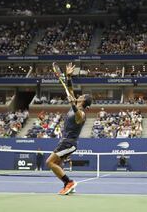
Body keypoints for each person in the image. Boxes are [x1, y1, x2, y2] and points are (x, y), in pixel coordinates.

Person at [46, 63, 92, 195]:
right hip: (66, 142)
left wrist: (73, 104)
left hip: (69, 142)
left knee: (49, 162)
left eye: (82, 97)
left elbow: (78, 115)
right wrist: (68, 76)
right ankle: (69, 185)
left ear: (83, 101)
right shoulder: (75, 103)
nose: (79, 96)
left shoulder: (81, 114)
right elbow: (70, 89)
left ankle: (69, 182)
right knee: (57, 164)